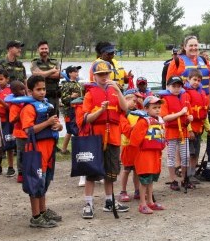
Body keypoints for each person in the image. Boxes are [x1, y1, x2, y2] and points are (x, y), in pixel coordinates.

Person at [80, 59, 132, 218]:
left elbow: (125, 108)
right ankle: (88, 203)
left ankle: (109, 201)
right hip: (96, 138)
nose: (104, 77)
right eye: (100, 74)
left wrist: (117, 88)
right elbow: (86, 118)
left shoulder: (115, 91)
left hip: (114, 137)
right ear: (94, 76)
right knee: (91, 172)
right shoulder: (89, 94)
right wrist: (100, 111)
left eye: (106, 74)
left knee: (111, 172)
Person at [21, 75, 63, 228]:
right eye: (38, 89)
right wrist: (47, 123)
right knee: (36, 183)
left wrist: (58, 126)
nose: (42, 92)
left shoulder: (47, 106)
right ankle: (36, 216)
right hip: (36, 151)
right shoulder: (28, 108)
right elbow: (28, 130)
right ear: (30, 91)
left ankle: (43, 210)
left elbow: (58, 126)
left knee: (45, 182)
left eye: (44, 89)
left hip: (49, 150)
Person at [129, 96, 167, 214]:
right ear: (146, 109)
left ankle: (150, 201)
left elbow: (163, 137)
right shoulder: (143, 122)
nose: (157, 110)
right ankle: (142, 204)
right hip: (145, 155)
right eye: (154, 107)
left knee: (151, 180)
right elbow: (134, 140)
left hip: (156, 154)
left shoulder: (160, 121)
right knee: (144, 180)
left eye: (159, 107)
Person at [159, 76, 192, 191]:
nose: (177, 88)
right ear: (168, 87)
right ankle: (173, 180)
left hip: (183, 131)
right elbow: (165, 117)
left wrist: (189, 117)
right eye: (174, 86)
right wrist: (180, 113)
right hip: (171, 131)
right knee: (171, 156)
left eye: (179, 86)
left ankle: (184, 178)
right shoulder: (164, 99)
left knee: (186, 156)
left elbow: (188, 112)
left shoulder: (185, 97)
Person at [183, 70, 210, 186]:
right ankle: (187, 175)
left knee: (196, 153)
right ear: (189, 79)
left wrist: (208, 128)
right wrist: (189, 130)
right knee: (190, 153)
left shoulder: (202, 93)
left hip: (199, 129)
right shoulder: (186, 93)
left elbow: (204, 113)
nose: (196, 82)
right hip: (190, 130)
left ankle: (192, 173)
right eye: (194, 80)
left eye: (199, 80)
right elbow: (186, 115)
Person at [117, 93, 146, 200]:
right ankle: (123, 191)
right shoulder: (123, 114)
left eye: (136, 101)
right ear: (125, 100)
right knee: (126, 169)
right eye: (133, 101)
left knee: (137, 170)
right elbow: (125, 129)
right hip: (127, 146)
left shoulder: (138, 113)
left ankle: (137, 190)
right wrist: (138, 127)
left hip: (137, 146)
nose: (135, 103)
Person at [0, 70, 16, 177]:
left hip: (7, 121)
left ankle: (11, 167)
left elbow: (11, 108)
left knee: (9, 144)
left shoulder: (11, 90)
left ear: (7, 79)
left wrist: (0, 101)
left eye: (1, 79)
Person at [31, 40, 62, 111]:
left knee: (54, 117)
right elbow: (35, 74)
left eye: (46, 48)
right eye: (42, 49)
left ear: (48, 49)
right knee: (41, 115)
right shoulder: (34, 62)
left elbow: (60, 75)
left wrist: (42, 74)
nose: (44, 50)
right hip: (39, 95)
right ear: (38, 50)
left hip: (54, 95)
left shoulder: (55, 61)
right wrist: (52, 71)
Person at [59, 65, 84, 154]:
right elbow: (63, 99)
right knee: (70, 129)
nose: (77, 73)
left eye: (77, 71)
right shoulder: (66, 84)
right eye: (75, 72)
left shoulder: (78, 83)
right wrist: (71, 96)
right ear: (70, 73)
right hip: (69, 111)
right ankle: (66, 149)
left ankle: (64, 149)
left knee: (74, 129)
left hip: (78, 111)